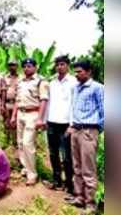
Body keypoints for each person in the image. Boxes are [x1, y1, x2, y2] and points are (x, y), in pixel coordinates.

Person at [66, 61, 104, 214]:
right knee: (77, 167)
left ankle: (90, 204)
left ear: (89, 72)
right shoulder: (75, 88)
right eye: (75, 72)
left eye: (79, 72)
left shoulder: (98, 88)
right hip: (75, 130)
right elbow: (73, 109)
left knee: (88, 169)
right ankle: (79, 196)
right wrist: (72, 125)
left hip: (89, 130)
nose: (76, 74)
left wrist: (95, 129)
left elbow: (105, 110)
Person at [10, 58, 49, 186]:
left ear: (35, 67)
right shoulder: (21, 82)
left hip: (32, 113)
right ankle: (25, 167)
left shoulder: (40, 81)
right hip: (20, 113)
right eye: (25, 66)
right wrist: (13, 116)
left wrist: (40, 118)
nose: (27, 68)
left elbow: (44, 100)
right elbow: (17, 100)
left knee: (28, 143)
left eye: (29, 66)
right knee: (20, 143)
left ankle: (32, 174)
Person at [44, 55, 77, 194]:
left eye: (62, 64)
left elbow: (75, 104)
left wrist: (72, 124)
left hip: (65, 124)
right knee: (53, 153)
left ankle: (69, 184)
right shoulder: (52, 83)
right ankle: (56, 180)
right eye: (57, 64)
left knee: (67, 156)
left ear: (68, 65)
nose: (59, 67)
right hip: (52, 122)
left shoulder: (74, 82)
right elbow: (48, 103)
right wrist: (46, 120)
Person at [3, 59, 19, 145]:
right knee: (6, 122)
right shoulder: (4, 78)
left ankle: (15, 142)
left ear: (17, 66)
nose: (12, 67)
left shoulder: (20, 78)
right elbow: (2, 91)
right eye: (10, 65)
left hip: (16, 103)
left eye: (14, 65)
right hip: (7, 103)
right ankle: (6, 141)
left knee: (15, 123)